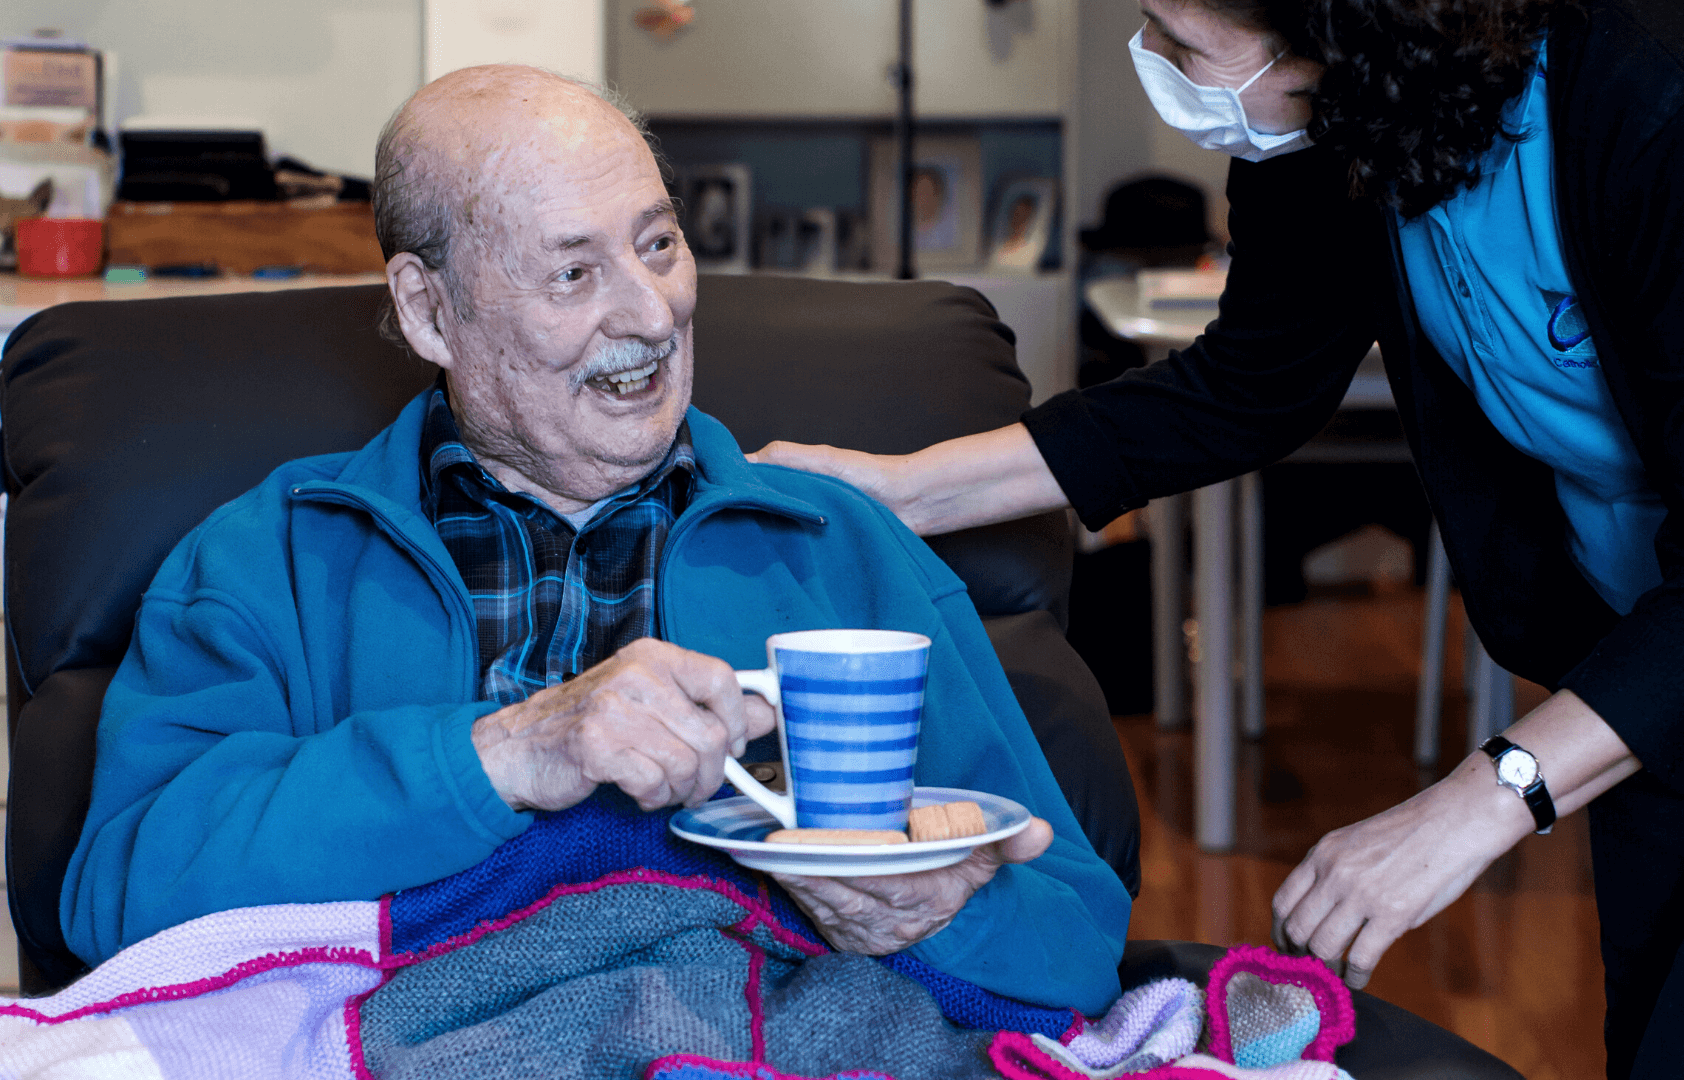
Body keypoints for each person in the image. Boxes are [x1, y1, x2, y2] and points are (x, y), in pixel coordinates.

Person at [752, 0, 1684, 1075]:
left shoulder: (1677, 84)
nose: (1158, 66)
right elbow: (1242, 387)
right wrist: (892, 486)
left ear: (1334, 14)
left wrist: (1476, 798)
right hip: (1662, 636)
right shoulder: (1344, 118)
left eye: (1180, 36)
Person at [59, 64, 1129, 1017]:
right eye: (574, 272)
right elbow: (122, 895)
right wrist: (510, 751)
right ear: (430, 313)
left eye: (658, 245)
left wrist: (930, 915)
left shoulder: (837, 547)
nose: (653, 315)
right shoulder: (267, 563)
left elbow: (1080, 937)